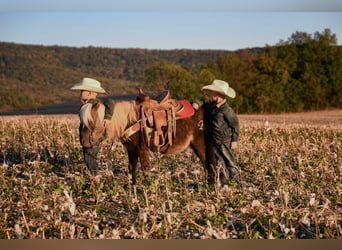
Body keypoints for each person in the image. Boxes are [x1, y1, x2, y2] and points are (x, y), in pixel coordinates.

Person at [193, 80, 241, 188]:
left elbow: (235, 125)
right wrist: (197, 103)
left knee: (230, 162)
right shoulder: (212, 106)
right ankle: (224, 184)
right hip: (214, 141)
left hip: (224, 141)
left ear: (219, 95)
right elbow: (203, 102)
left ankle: (237, 185)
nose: (210, 96)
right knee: (219, 163)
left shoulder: (227, 110)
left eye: (212, 94)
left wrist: (234, 140)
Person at [70, 77, 114, 175]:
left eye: (82, 91)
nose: (80, 93)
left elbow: (110, 102)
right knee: (89, 157)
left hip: (93, 137)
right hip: (91, 137)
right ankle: (97, 175)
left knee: (89, 157)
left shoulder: (94, 104)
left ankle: (96, 176)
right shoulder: (89, 104)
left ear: (89, 93)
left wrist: (108, 117)